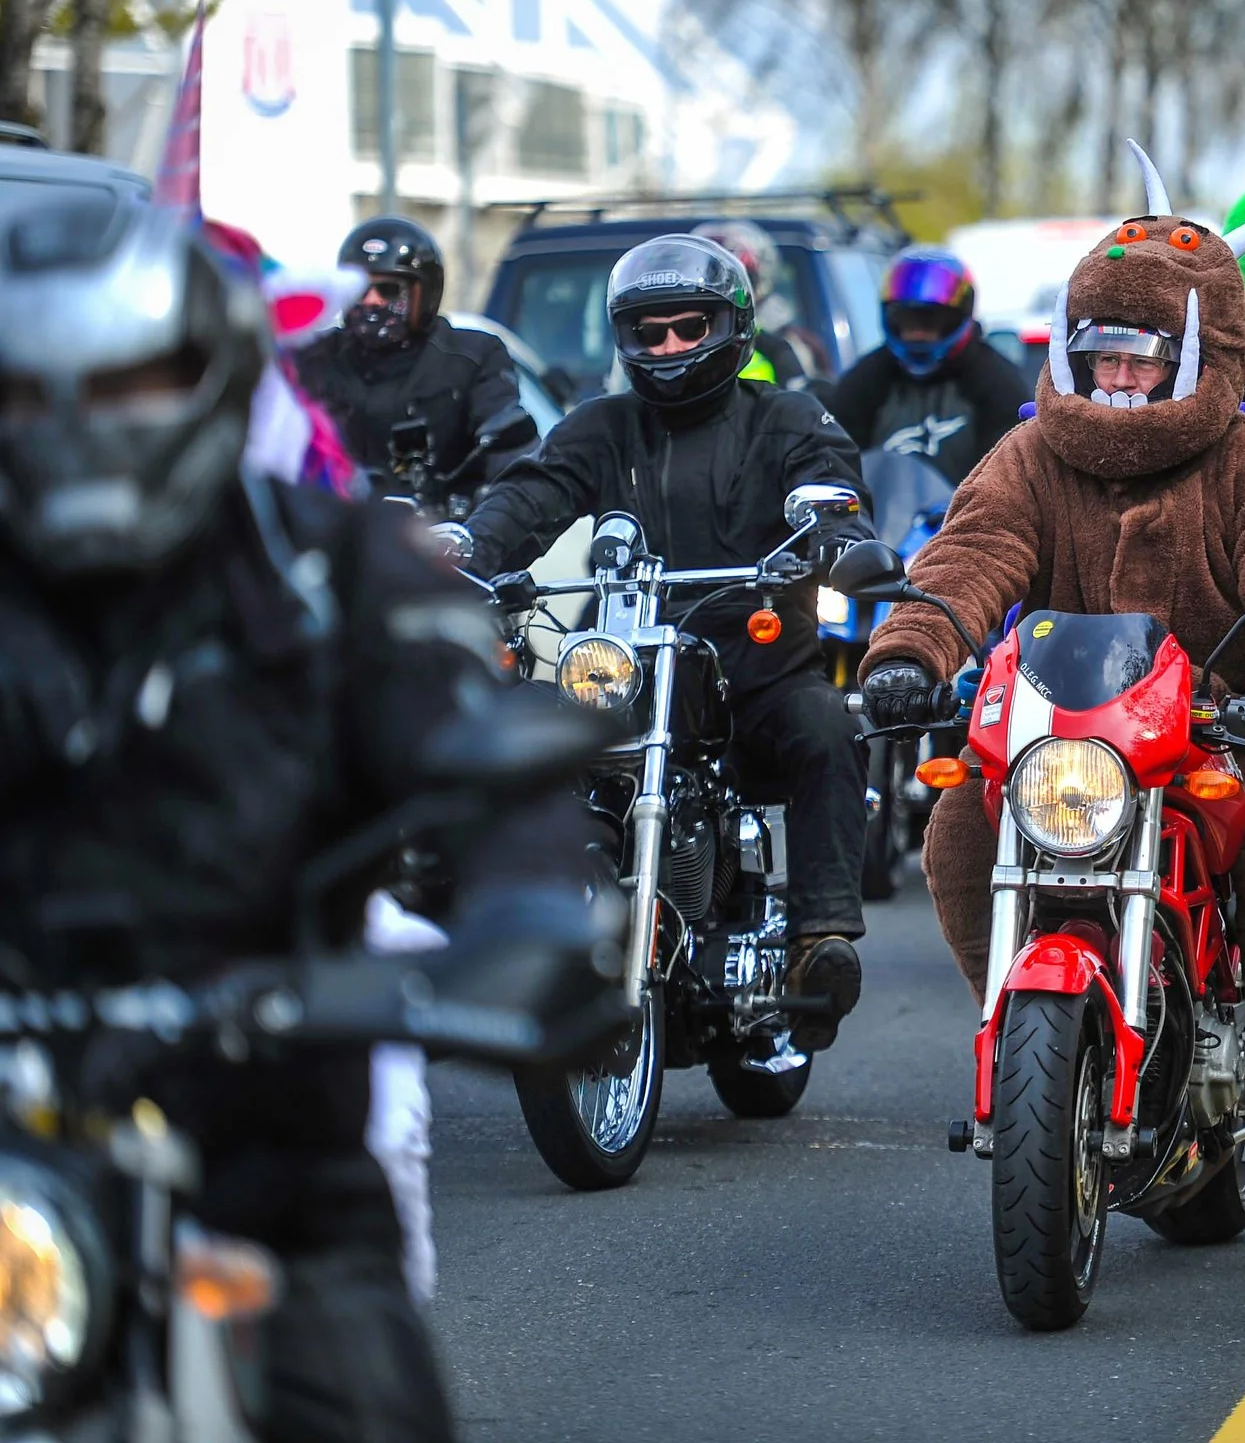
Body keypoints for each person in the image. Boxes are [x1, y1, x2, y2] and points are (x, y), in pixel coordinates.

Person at [0, 195, 607, 1441]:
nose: (77, 433)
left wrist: (527, 914)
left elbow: (480, 757)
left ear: (212, 379)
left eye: (126, 387)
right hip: (18, 1147)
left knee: (367, 1401)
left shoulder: (333, 574)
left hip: (268, 1144)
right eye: (28, 395)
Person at [855, 148, 1245, 1157]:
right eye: (1099, 355)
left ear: (1194, 355)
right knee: (956, 830)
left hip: (1219, 717)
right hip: (1058, 722)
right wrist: (911, 647)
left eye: (1140, 356)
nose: (1116, 376)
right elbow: (970, 552)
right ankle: (1019, 1031)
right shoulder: (1030, 451)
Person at [447, 233, 877, 1049]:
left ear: (732, 326)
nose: (671, 347)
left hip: (753, 675)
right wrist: (470, 547)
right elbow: (535, 491)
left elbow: (830, 478)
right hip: (630, 672)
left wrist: (829, 524)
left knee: (827, 722)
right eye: (650, 333)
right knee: (524, 739)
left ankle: (820, 936)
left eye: (689, 327)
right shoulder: (603, 427)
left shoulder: (781, 415)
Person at [293, 215, 534, 513]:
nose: (371, 301)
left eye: (389, 290)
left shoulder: (472, 357)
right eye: (359, 289)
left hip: (444, 540)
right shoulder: (312, 357)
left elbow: (511, 451)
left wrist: (488, 515)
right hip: (328, 533)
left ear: (425, 293)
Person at [823, 245, 1029, 483]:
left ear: (959, 315)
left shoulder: (997, 382)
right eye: (908, 322)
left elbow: (1009, 472)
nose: (918, 335)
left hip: (964, 516)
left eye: (931, 322)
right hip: (881, 516)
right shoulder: (865, 379)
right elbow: (836, 457)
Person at [691, 217, 826, 382]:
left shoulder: (788, 344)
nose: (723, 292)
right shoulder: (677, 335)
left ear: (759, 280)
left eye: (736, 280)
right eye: (709, 279)